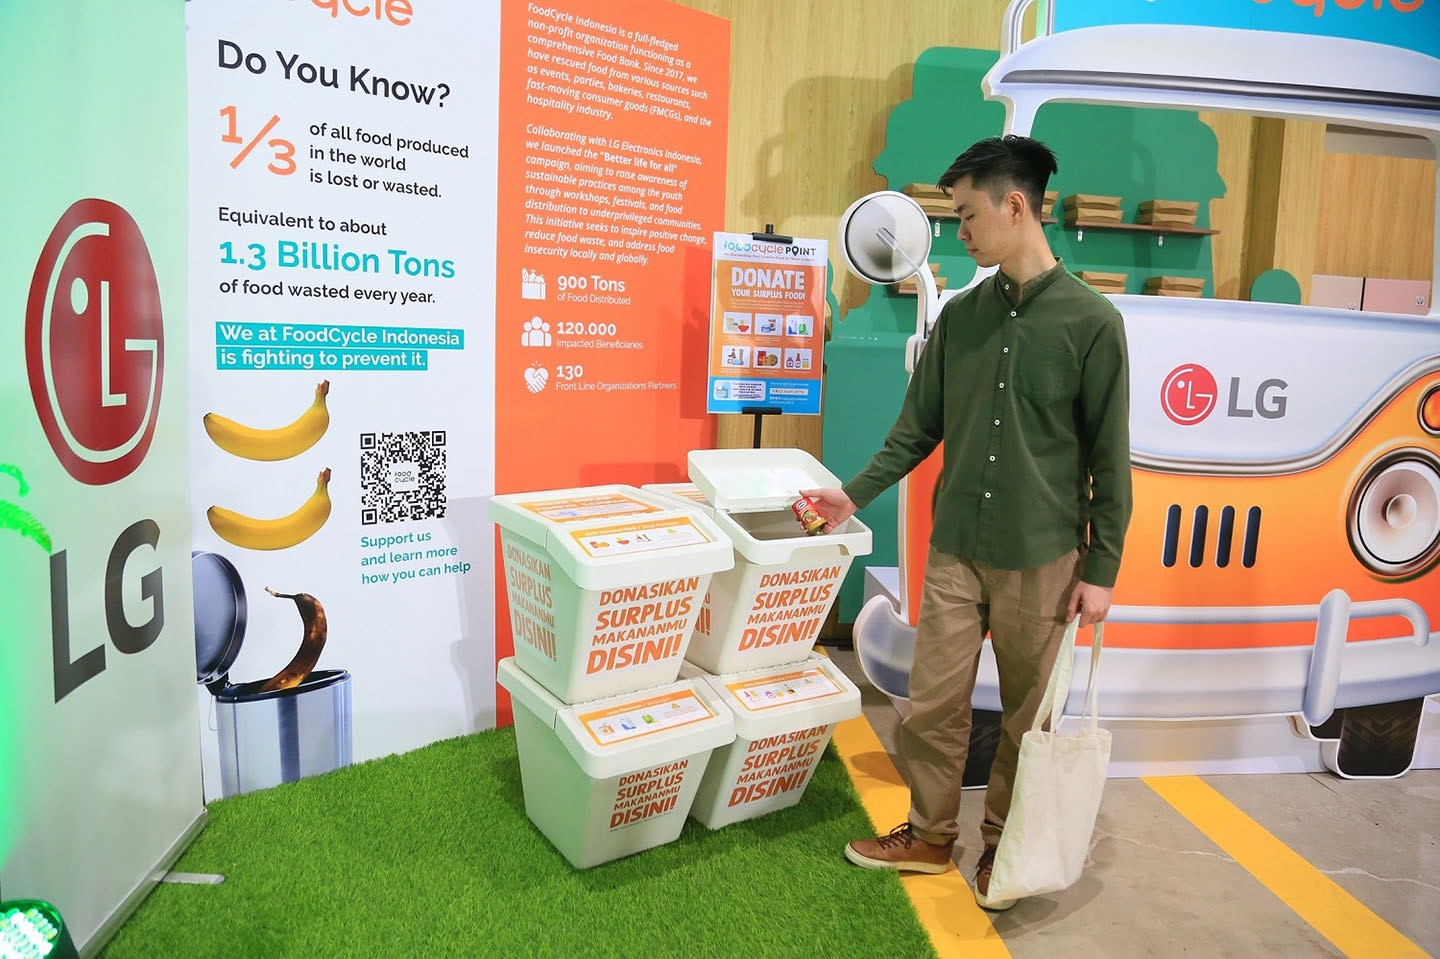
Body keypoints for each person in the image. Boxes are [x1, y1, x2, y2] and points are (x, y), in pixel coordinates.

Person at [803, 135, 1132, 911]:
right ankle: (928, 832)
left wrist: (1102, 569)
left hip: (1046, 555)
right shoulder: (960, 318)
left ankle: (1004, 848)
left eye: (967, 214)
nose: (960, 233)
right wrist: (852, 495)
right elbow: (915, 430)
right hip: (955, 548)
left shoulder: (1093, 323)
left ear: (1015, 205)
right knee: (934, 701)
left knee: (1025, 719)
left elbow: (1109, 462)